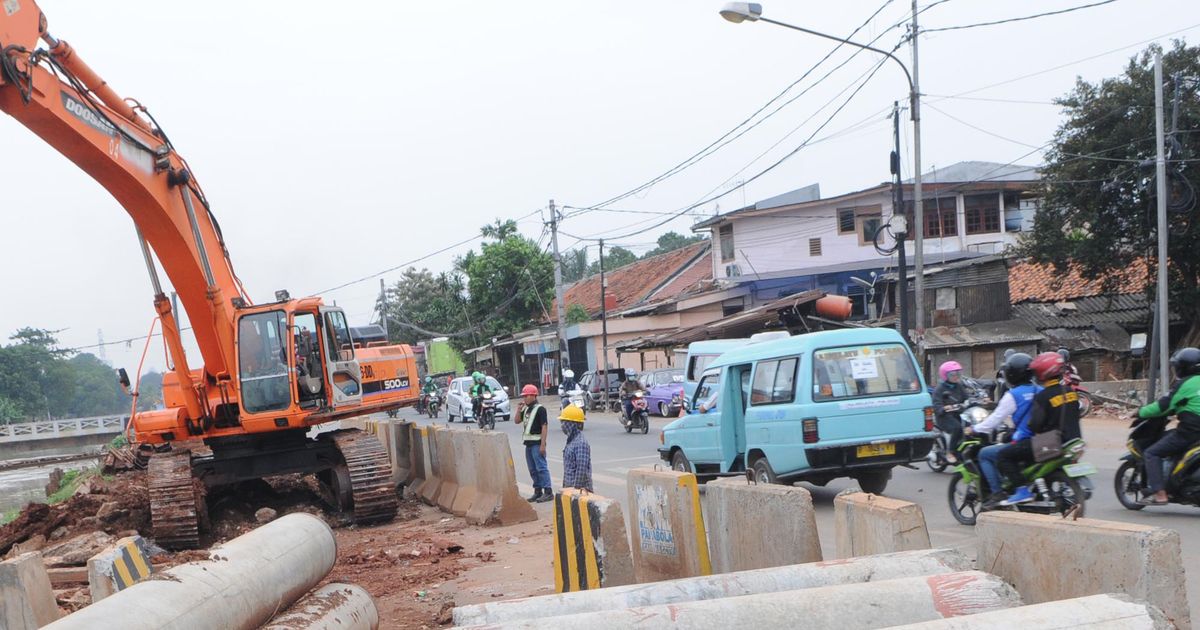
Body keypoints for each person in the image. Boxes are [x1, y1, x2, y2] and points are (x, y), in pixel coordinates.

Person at [995, 352, 1082, 506]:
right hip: (1073, 440)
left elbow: (1035, 425)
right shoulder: (1071, 392)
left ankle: (1021, 491)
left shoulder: (1043, 396)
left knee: (1004, 455)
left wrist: (1012, 434)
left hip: (1049, 443)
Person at [970, 353, 1039, 508]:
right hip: (1043, 439)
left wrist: (975, 428)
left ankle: (997, 492)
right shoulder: (1039, 389)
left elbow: (995, 419)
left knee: (985, 454)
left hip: (1024, 441)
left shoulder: (1013, 395)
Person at [1137, 347, 1200, 506]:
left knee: (1152, 453)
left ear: (1183, 367)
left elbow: (1162, 407)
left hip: (1190, 432)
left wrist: (1140, 412)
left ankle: (1160, 494)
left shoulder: (1184, 384)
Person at [515, 384, 553, 502]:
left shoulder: (540, 409)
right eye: (524, 396)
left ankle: (548, 491)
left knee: (541, 468)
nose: (524, 398)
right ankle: (537, 491)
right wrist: (518, 410)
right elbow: (517, 421)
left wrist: (543, 444)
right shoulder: (525, 409)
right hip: (528, 444)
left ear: (533, 396)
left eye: (526, 396)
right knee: (532, 469)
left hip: (537, 443)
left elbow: (544, 427)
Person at [933, 361, 970, 463]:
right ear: (945, 376)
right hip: (944, 417)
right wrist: (944, 408)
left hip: (958, 414)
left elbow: (967, 398)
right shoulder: (939, 389)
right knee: (957, 428)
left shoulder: (959, 386)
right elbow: (936, 405)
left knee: (972, 426)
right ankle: (951, 452)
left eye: (957, 374)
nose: (956, 376)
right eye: (952, 374)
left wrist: (979, 399)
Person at [559, 404, 592, 492]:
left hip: (579, 492)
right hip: (569, 489)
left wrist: (575, 493)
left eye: (564, 422)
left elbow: (581, 470)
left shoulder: (580, 443)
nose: (562, 425)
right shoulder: (571, 441)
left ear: (572, 424)